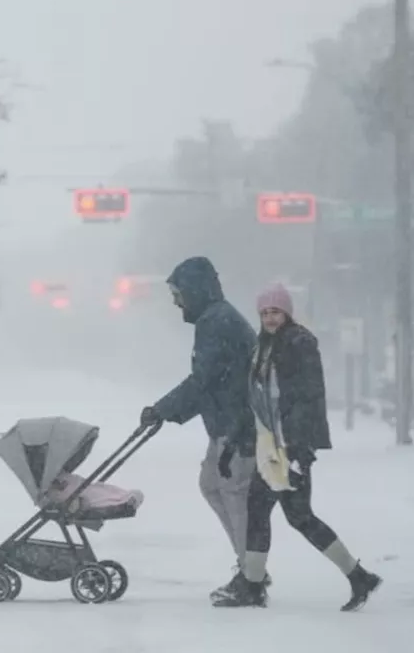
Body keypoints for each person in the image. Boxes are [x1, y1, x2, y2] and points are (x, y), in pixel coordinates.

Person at [211, 283, 383, 611]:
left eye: (275, 312)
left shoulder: (298, 344)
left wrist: (301, 449)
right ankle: (353, 576)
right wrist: (234, 443)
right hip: (271, 447)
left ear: (287, 312)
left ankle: (254, 585)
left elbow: (308, 397)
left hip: (289, 447)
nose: (269, 318)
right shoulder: (264, 347)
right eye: (264, 313)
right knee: (279, 513)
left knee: (289, 515)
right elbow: (256, 402)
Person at [140, 256, 263, 601]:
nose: (176, 300)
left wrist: (162, 409)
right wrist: (165, 412)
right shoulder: (216, 318)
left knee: (234, 493)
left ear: (195, 291)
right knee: (212, 484)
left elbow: (204, 380)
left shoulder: (216, 322)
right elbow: (209, 383)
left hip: (238, 425)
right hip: (228, 422)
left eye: (178, 293)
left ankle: (251, 577)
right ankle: (249, 568)